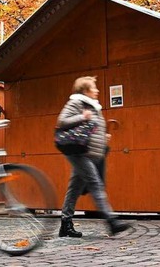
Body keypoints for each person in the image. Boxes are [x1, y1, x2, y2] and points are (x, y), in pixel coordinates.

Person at [57, 76, 131, 238]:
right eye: (93, 87)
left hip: (88, 152)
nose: (97, 90)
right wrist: (82, 117)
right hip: (78, 152)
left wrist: (103, 137)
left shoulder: (93, 106)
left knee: (74, 189)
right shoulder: (76, 103)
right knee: (95, 183)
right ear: (85, 90)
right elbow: (62, 121)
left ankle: (65, 225)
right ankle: (111, 222)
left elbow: (91, 129)